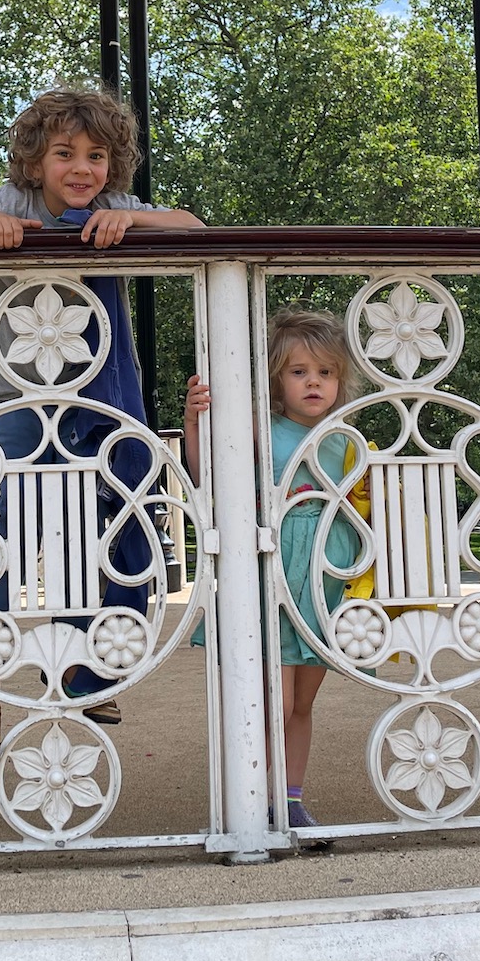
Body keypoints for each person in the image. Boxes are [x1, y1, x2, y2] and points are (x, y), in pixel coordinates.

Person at [0, 87, 205, 754]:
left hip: (104, 398)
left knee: (113, 521)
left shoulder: (113, 207)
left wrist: (134, 225)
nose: (82, 169)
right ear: (32, 162)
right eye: (64, 154)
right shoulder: (7, 203)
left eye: (97, 156)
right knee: (19, 529)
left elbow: (193, 227)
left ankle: (91, 663)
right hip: (26, 400)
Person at [184, 308, 365, 831]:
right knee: (274, 703)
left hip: (322, 576)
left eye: (326, 373)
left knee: (303, 700)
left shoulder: (344, 437)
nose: (314, 382)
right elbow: (210, 479)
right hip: (275, 572)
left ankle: (289, 799)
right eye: (299, 371)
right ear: (276, 381)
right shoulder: (262, 429)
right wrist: (196, 423)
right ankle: (251, 800)